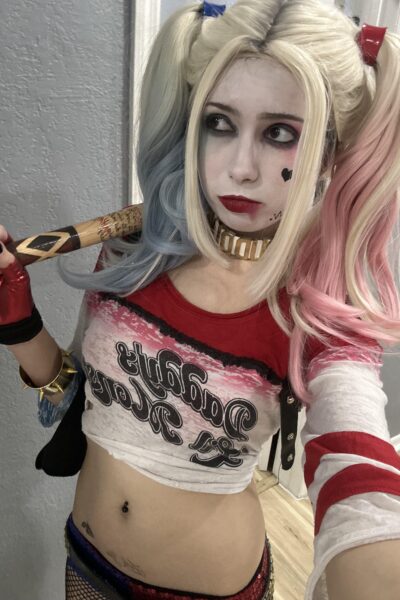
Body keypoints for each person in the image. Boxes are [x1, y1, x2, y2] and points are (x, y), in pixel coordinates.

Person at [1, 1, 400, 598]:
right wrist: (17, 323)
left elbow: (361, 476)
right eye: (220, 122)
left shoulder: (317, 314)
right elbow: (79, 398)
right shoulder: (133, 250)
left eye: (281, 133)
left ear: (329, 151)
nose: (241, 168)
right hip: (85, 561)